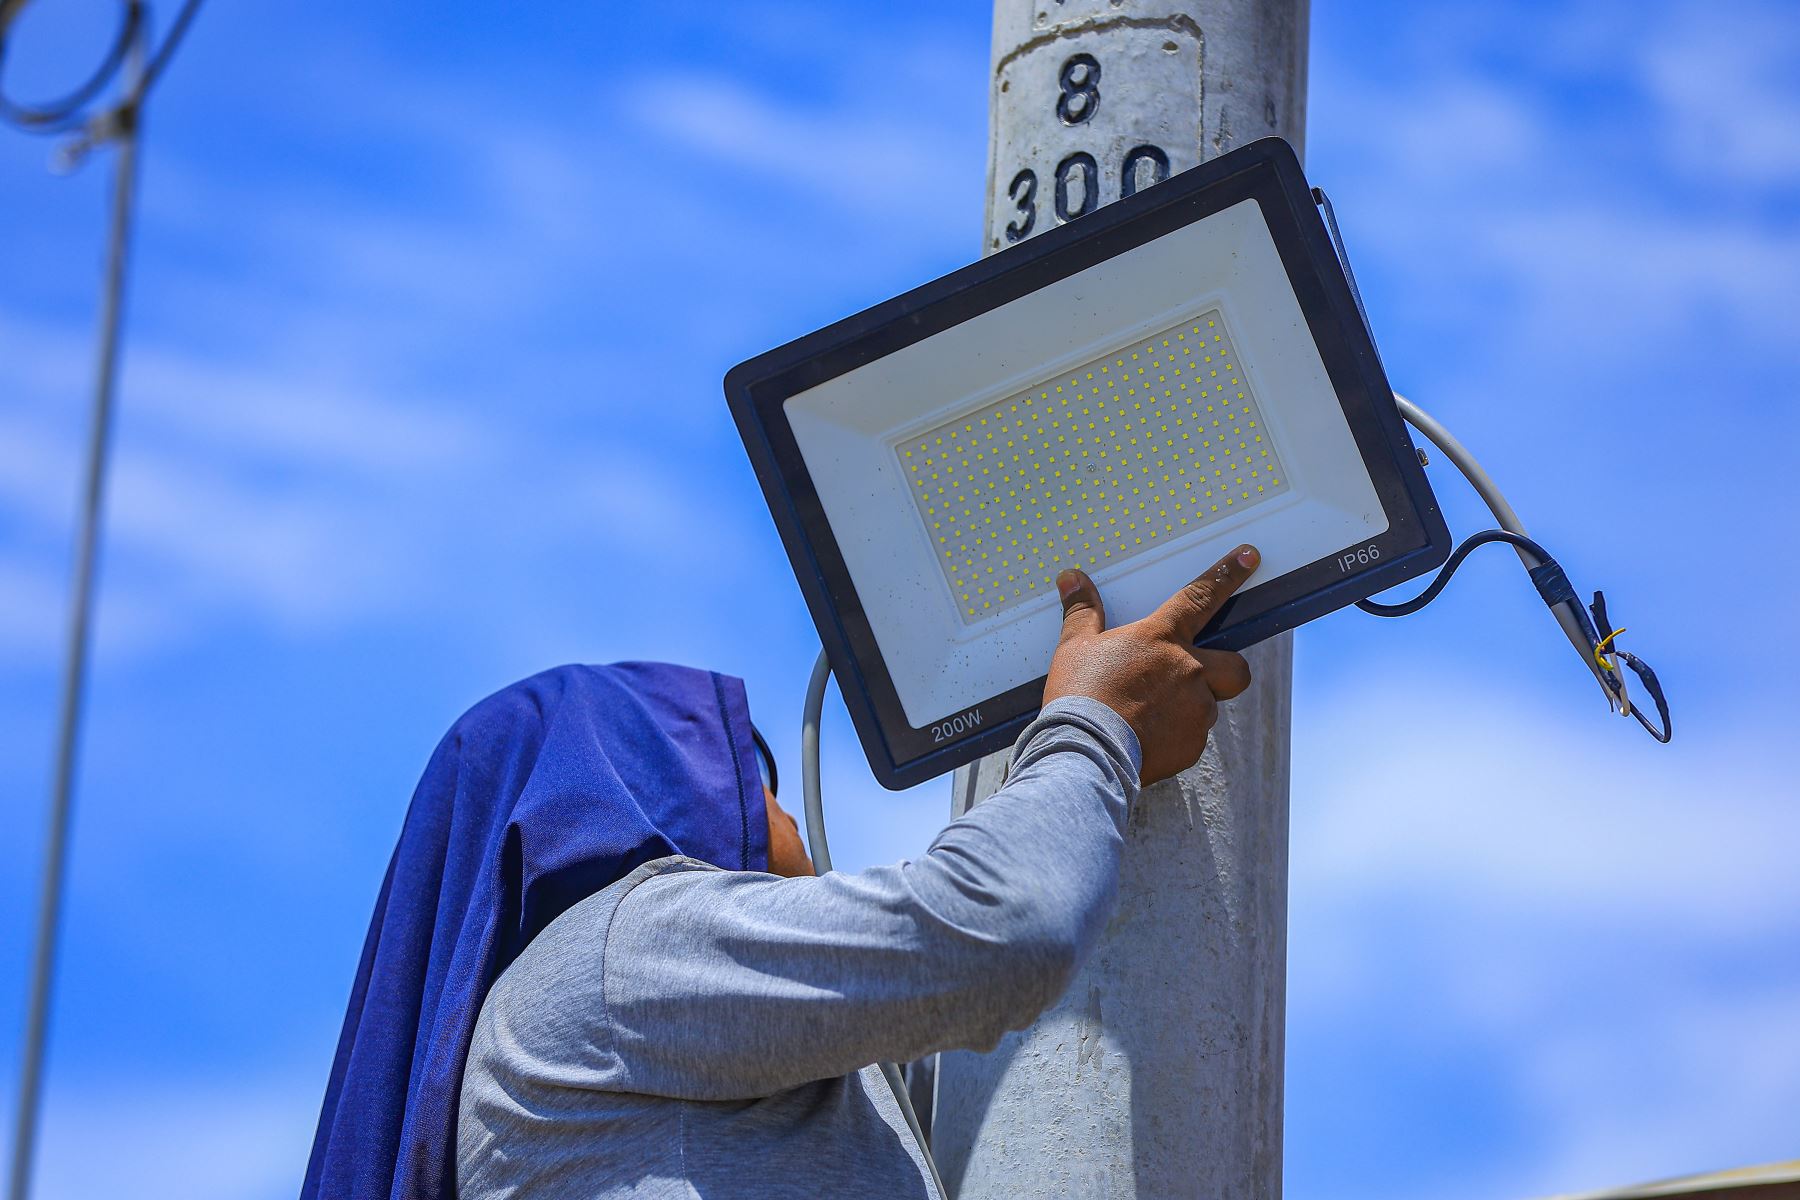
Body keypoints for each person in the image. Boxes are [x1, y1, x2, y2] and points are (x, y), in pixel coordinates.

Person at [301, 547, 1261, 1200]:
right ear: (651, 785)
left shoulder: (671, 1024)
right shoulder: (619, 954)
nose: (788, 807)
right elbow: (1009, 923)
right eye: (750, 772)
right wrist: (1097, 729)